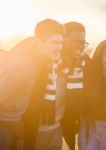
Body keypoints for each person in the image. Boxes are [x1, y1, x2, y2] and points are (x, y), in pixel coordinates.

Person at [0, 18, 64, 150]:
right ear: (40, 43)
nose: (60, 47)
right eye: (54, 42)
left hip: (20, 122)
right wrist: (11, 121)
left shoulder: (43, 60)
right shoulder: (22, 67)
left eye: (61, 42)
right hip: (6, 126)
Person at [60, 21, 90, 150]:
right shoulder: (53, 63)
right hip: (59, 120)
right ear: (63, 40)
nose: (80, 46)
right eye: (75, 41)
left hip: (83, 118)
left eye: (82, 42)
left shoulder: (87, 61)